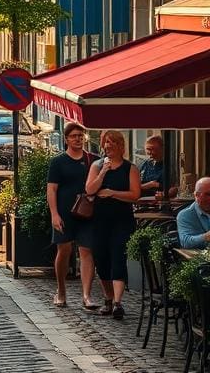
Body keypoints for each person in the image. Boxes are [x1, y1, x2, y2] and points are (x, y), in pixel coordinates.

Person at [85, 130, 141, 319]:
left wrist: (112, 193)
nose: (108, 146)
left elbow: (135, 195)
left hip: (122, 221)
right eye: (106, 142)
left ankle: (117, 303)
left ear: (120, 146)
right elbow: (90, 189)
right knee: (101, 259)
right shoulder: (96, 165)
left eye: (112, 143)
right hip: (100, 221)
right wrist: (102, 173)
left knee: (118, 257)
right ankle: (108, 299)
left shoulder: (130, 168)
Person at [46, 122, 99, 310]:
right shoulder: (58, 162)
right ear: (66, 139)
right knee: (64, 250)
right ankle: (61, 290)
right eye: (74, 136)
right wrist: (54, 214)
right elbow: (52, 189)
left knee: (86, 251)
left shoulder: (93, 160)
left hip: (87, 212)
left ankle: (86, 295)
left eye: (80, 135)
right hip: (64, 212)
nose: (78, 139)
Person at [177, 177, 210, 248]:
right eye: (208, 194)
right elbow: (185, 242)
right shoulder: (185, 215)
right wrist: (206, 237)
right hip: (199, 257)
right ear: (196, 195)